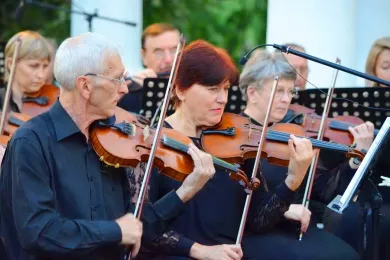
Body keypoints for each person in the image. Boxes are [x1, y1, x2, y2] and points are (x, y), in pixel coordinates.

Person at [0, 32, 216, 260]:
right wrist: (115, 231)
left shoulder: (111, 143)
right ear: (85, 86)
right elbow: (39, 231)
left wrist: (184, 192)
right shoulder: (31, 141)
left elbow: (133, 229)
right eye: (118, 79)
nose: (124, 89)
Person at [134, 39, 316, 260]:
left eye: (226, 88)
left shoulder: (235, 138)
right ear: (180, 90)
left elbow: (259, 220)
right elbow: (141, 227)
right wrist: (198, 250)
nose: (223, 99)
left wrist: (293, 179)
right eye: (212, 89)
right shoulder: (152, 142)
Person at [238, 50, 365, 259]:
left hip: (292, 231)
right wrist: (285, 209)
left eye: (291, 91)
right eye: (279, 91)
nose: (287, 99)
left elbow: (320, 192)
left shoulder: (290, 134)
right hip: (253, 233)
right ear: (252, 93)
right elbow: (251, 214)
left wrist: (353, 159)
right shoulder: (236, 140)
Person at [118, 23, 180, 113]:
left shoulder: (192, 89)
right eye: (159, 52)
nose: (168, 59)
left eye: (174, 50)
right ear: (144, 56)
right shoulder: (126, 92)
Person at [1, 30, 51, 112]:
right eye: (34, 66)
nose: (41, 75)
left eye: (45, 66)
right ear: (11, 64)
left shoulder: (55, 101)